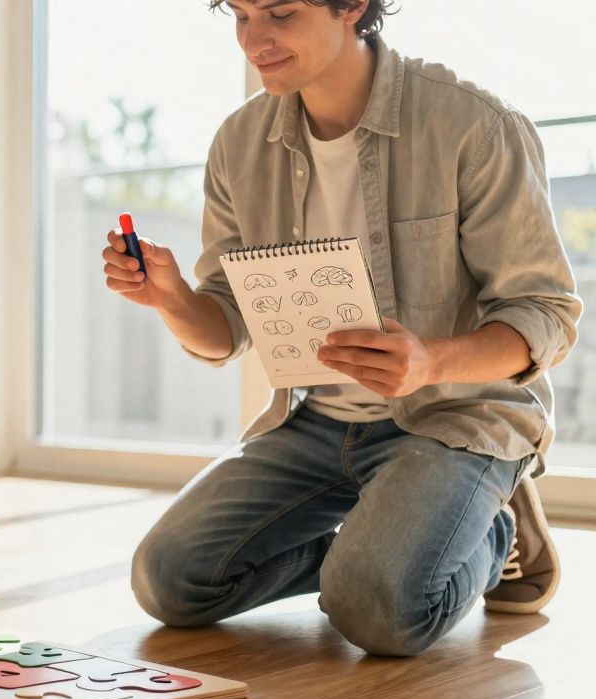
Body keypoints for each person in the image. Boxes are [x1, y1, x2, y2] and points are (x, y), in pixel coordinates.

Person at [105, 0, 583, 656]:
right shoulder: (239, 144)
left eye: (280, 14)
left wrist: (431, 361)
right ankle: (381, 547)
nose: (254, 40)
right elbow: (226, 327)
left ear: (352, 6)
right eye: (240, 16)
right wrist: (173, 298)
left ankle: (493, 527)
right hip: (316, 423)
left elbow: (545, 312)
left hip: (456, 417)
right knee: (168, 581)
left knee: (380, 613)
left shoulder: (473, 124)